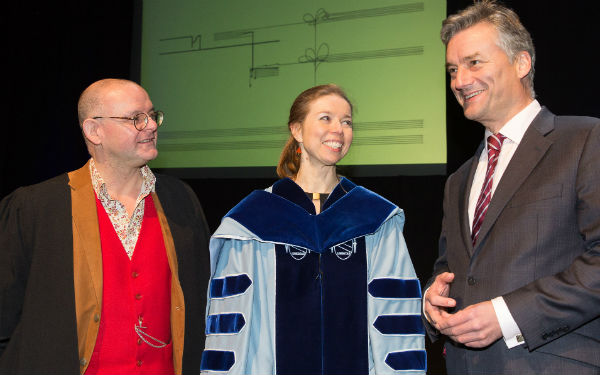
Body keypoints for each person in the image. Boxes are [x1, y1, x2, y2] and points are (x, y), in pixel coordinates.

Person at [423, 1, 600, 374]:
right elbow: (450, 268)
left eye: (474, 63)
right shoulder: (459, 180)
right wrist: (434, 299)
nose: (459, 80)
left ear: (521, 64)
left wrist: (507, 315)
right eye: (453, 69)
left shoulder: (586, 139)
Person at [200, 84, 425, 374]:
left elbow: (397, 317)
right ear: (296, 130)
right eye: (325, 118)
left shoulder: (376, 220)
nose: (339, 129)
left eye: (346, 122)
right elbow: (230, 327)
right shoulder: (251, 223)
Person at [0, 78, 210, 374]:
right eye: (136, 118)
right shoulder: (38, 207)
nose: (150, 125)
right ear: (94, 130)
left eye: (152, 115)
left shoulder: (180, 201)